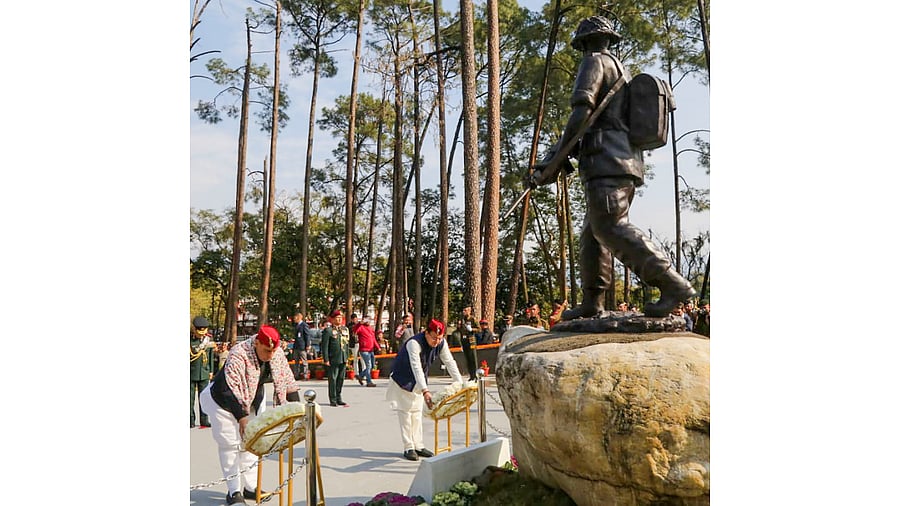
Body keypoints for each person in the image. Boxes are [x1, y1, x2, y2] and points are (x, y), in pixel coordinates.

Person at [529, 15, 696, 319]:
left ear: (584, 43)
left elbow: (582, 114)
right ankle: (594, 301)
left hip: (607, 161)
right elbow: (593, 121)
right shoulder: (620, 69)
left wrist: (554, 159)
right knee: (594, 233)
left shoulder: (593, 63)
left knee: (610, 227)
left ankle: (673, 284)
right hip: (619, 160)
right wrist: (556, 159)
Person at [199, 325, 301, 505]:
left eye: (272, 351)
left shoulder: (276, 354)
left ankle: (251, 488)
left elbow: (287, 380)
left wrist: (298, 411)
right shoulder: (239, 353)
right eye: (266, 350)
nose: (269, 355)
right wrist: (242, 418)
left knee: (251, 444)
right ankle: (234, 492)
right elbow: (228, 390)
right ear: (256, 343)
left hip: (251, 400)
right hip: (223, 401)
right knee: (230, 445)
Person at [385, 319, 466, 461]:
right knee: (405, 414)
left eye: (440, 338)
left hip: (418, 383)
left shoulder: (441, 343)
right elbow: (417, 368)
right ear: (426, 333)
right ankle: (408, 447)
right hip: (403, 380)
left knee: (417, 413)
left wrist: (460, 382)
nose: (436, 341)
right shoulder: (414, 344)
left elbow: (449, 362)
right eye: (434, 337)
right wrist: (425, 390)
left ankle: (418, 445)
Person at [321, 310, 350, 407]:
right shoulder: (328, 331)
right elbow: (324, 346)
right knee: (333, 379)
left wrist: (347, 357)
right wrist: (326, 359)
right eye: (337, 317)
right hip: (333, 358)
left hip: (343, 357)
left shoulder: (344, 329)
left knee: (341, 378)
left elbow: (346, 344)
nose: (339, 319)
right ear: (332, 319)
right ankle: (333, 399)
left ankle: (339, 397)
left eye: (341, 317)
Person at [190, 316, 215, 429]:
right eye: (199, 330)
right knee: (190, 398)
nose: (202, 333)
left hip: (204, 372)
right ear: (194, 329)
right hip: (191, 372)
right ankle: (190, 419)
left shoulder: (207, 341)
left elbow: (210, 356)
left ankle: (204, 420)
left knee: (204, 398)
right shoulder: (190, 341)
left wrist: (211, 371)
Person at [357, 317, 381, 387]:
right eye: (366, 320)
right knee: (368, 365)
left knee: (372, 366)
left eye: (369, 320)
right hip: (364, 350)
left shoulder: (370, 328)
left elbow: (373, 339)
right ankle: (369, 381)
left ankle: (360, 376)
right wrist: (359, 324)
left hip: (371, 350)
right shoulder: (361, 327)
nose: (368, 321)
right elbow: (354, 330)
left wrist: (378, 347)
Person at [459, 306, 479, 381]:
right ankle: (471, 375)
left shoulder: (472, 319)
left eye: (466, 310)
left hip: (471, 340)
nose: (464, 312)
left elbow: (479, 329)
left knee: (473, 358)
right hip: (464, 340)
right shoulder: (462, 319)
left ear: (469, 311)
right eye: (463, 310)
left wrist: (472, 329)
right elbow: (460, 330)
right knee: (467, 358)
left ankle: (475, 375)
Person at [291, 312, 312, 380]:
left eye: (295, 317)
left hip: (302, 346)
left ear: (299, 317)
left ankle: (305, 375)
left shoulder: (304, 325)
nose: (294, 319)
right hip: (296, 346)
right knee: (296, 361)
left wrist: (308, 345)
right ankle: (296, 375)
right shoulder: (296, 325)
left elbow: (307, 335)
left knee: (304, 361)